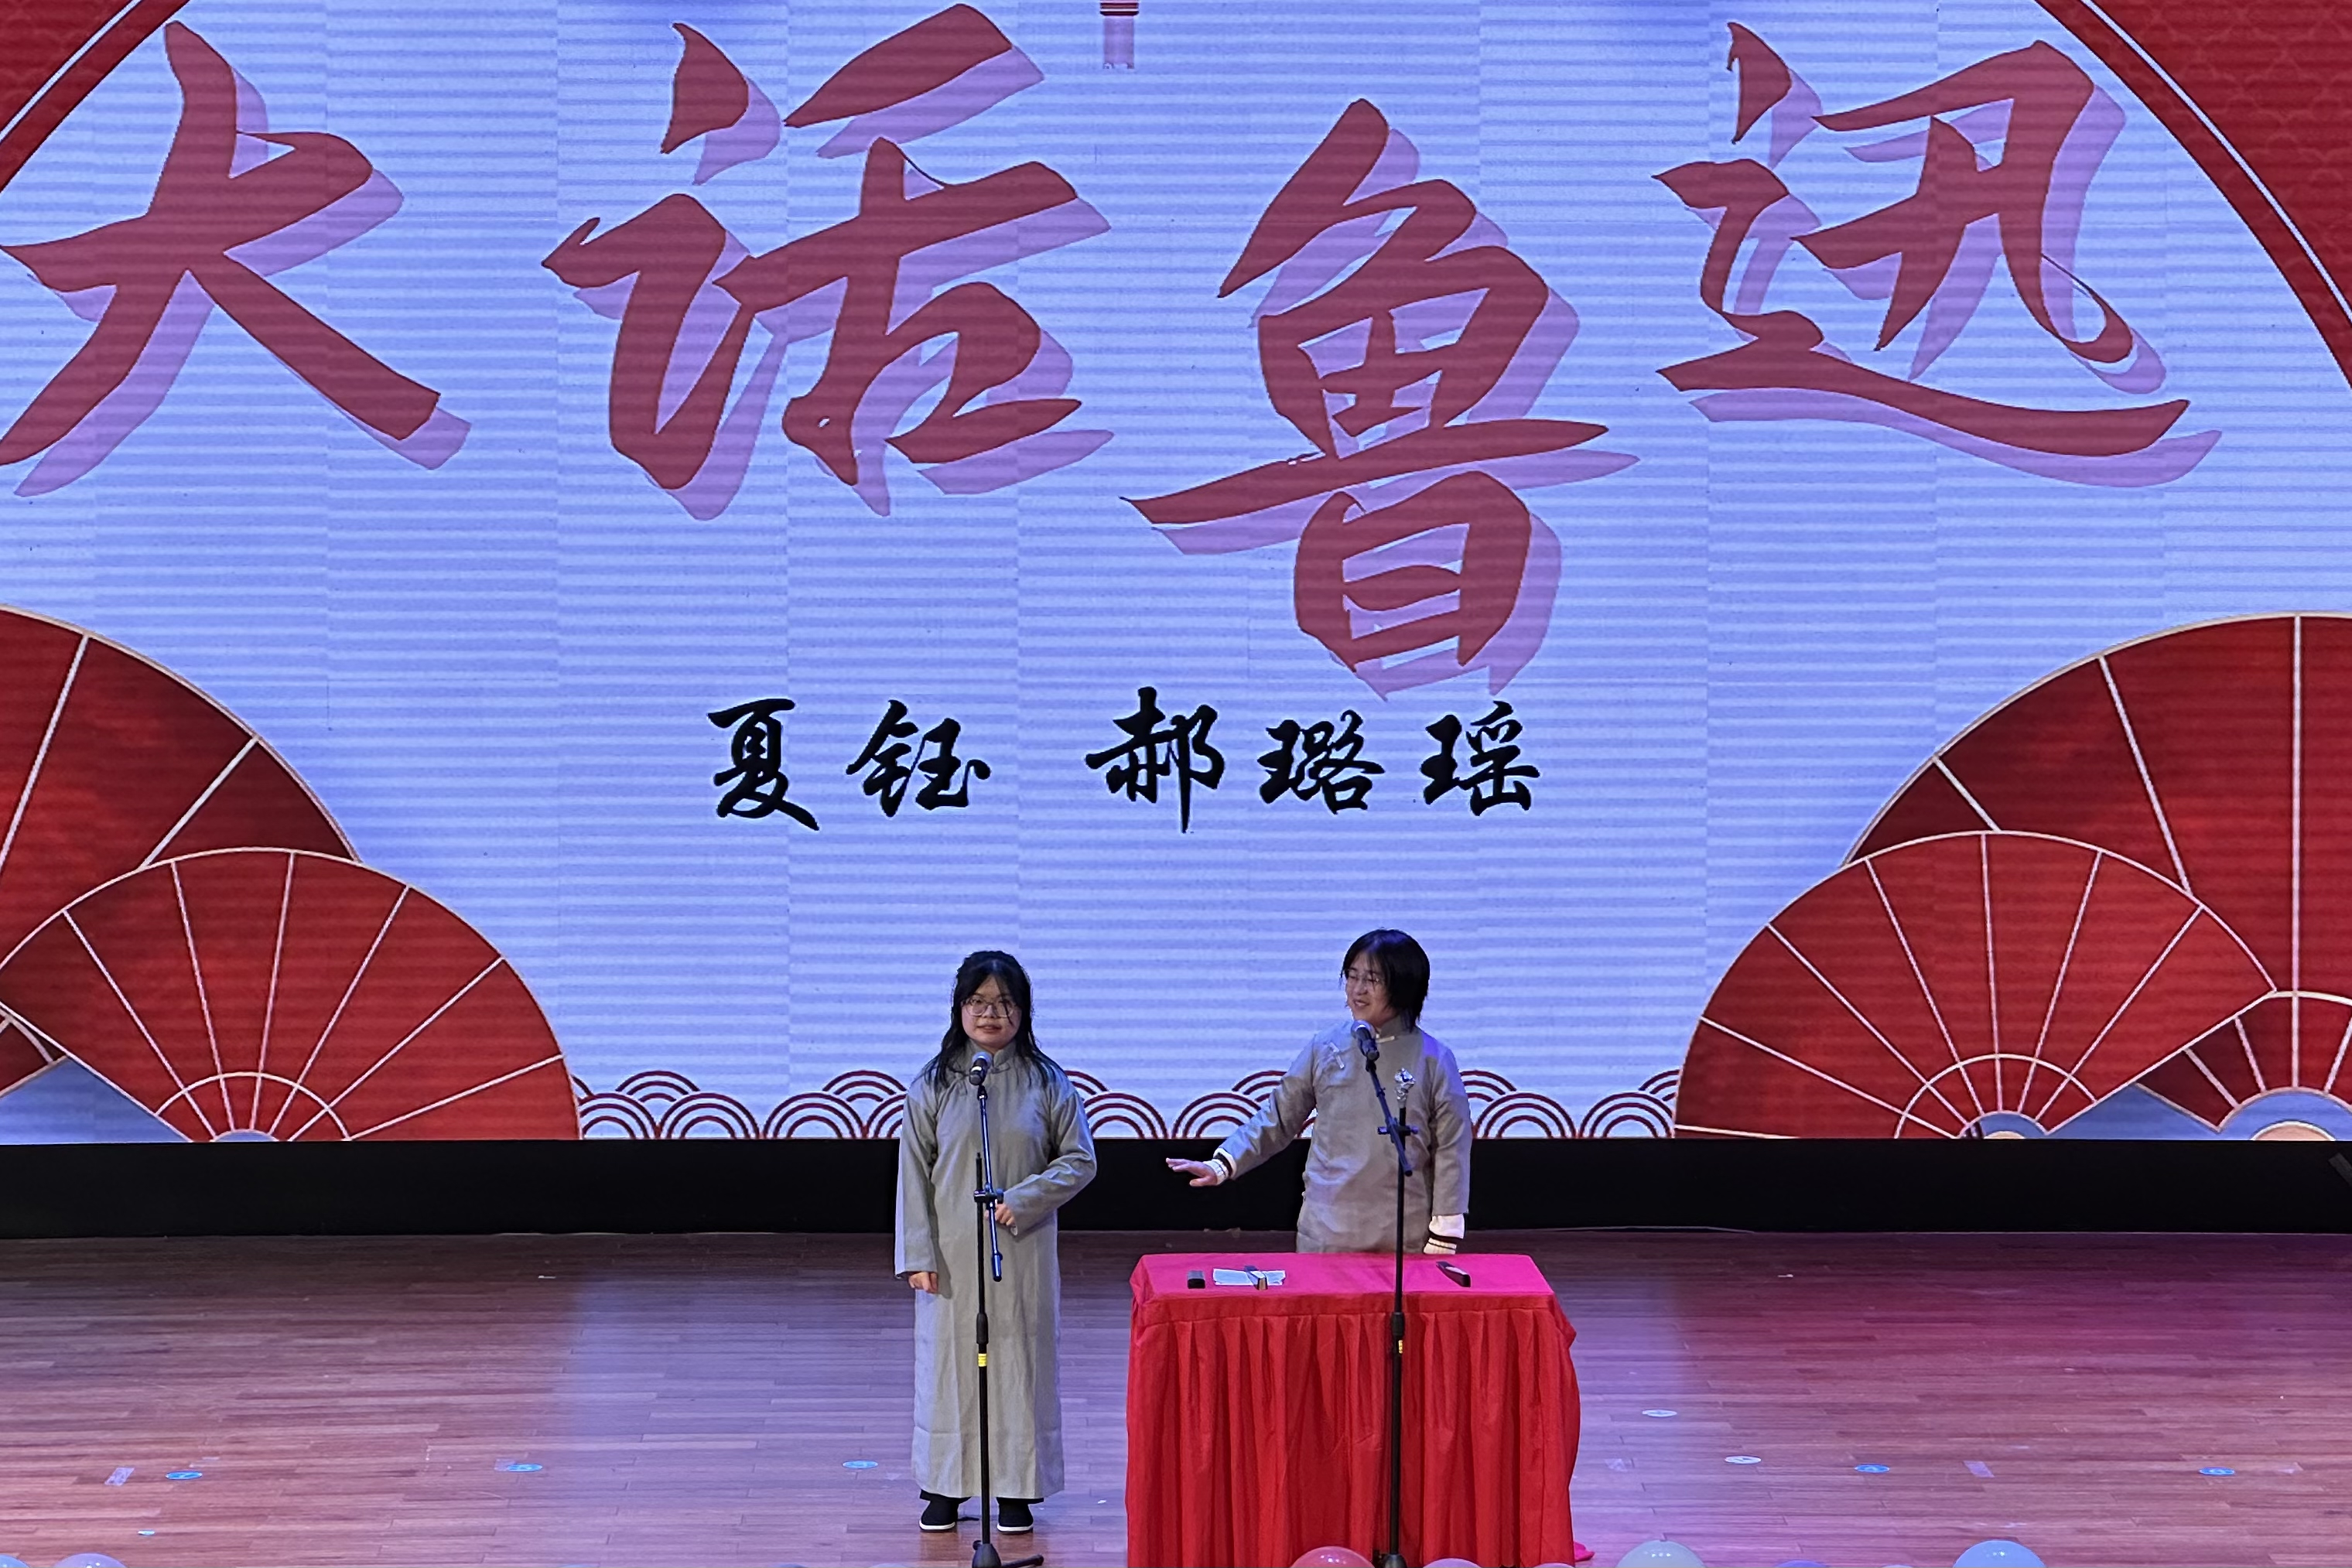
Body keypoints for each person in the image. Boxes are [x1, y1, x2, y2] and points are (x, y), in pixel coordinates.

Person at [894, 950, 1096, 1536]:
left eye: (1004, 1003)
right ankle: (944, 1484)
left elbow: (1080, 1159)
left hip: (1021, 1247)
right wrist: (917, 1254)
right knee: (949, 1368)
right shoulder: (934, 1082)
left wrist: (1026, 1197)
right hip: (951, 1252)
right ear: (959, 1008)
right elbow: (913, 1173)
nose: (991, 1014)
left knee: (1019, 1366)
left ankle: (1016, 1487)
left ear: (1023, 1012)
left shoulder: (1047, 1081)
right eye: (978, 1002)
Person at [1167, 928, 1472, 1252]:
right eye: (1352, 976)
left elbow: (1451, 1147)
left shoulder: (1434, 1059)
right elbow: (1278, 1118)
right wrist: (1222, 1165)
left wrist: (1446, 1230)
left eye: (1372, 980)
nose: (1357, 989)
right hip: (1326, 1231)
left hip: (1403, 1236)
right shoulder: (1326, 1047)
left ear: (1404, 986)